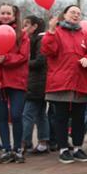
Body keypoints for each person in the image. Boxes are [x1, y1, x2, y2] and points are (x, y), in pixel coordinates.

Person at [42, 5, 87, 164]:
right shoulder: (56, 32)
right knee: (61, 117)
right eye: (72, 12)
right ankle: (63, 149)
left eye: (78, 13)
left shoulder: (84, 35)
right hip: (61, 82)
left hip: (80, 82)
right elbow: (48, 50)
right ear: (64, 15)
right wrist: (51, 31)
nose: (75, 15)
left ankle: (78, 148)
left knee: (79, 118)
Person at [0, 3, 30, 163]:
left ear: (14, 16)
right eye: (3, 13)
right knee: (2, 117)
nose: (5, 16)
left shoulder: (22, 34)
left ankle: (18, 148)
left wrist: (6, 58)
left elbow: (23, 56)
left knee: (17, 115)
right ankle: (6, 149)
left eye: (8, 13)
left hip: (17, 81)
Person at [21, 15, 51, 154]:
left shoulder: (39, 40)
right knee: (40, 113)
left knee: (28, 114)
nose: (24, 28)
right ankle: (43, 141)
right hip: (39, 83)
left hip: (36, 83)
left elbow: (40, 60)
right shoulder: (35, 39)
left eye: (26, 25)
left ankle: (24, 142)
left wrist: (22, 63)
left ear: (34, 27)